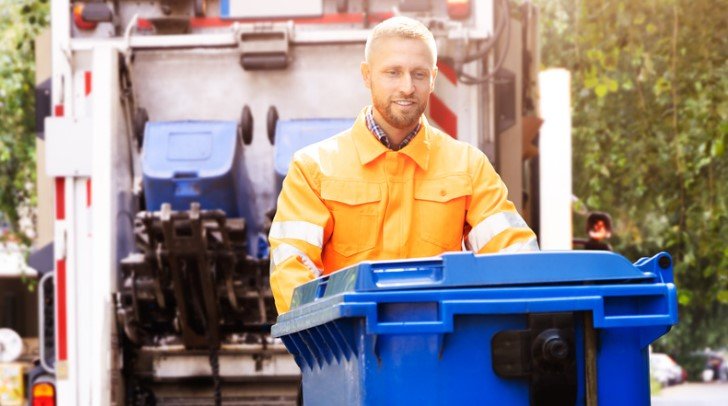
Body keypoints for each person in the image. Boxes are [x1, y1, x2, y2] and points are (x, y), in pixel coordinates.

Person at [269, 16, 538, 313]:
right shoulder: (313, 169)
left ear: (433, 78)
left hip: (442, 345)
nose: (407, 87)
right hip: (348, 348)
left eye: (419, 74)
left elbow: (513, 256)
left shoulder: (468, 166)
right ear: (367, 75)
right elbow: (292, 268)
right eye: (393, 73)